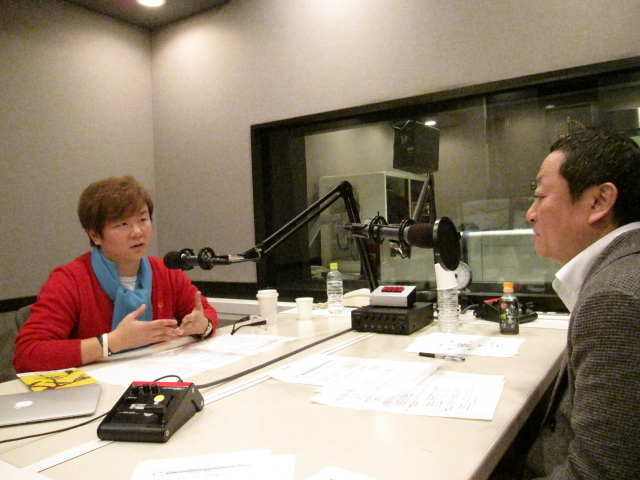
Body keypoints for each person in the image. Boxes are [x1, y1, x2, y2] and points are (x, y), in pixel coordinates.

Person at [522, 131, 640, 479]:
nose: (530, 214)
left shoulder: (614, 297)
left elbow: (598, 474)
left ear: (599, 201)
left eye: (540, 196)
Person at [14, 176, 218, 373]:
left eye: (143, 219)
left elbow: (205, 312)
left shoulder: (165, 271)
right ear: (95, 235)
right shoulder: (69, 280)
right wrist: (111, 343)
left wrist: (203, 325)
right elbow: (28, 354)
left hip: (156, 377)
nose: (137, 232)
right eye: (123, 224)